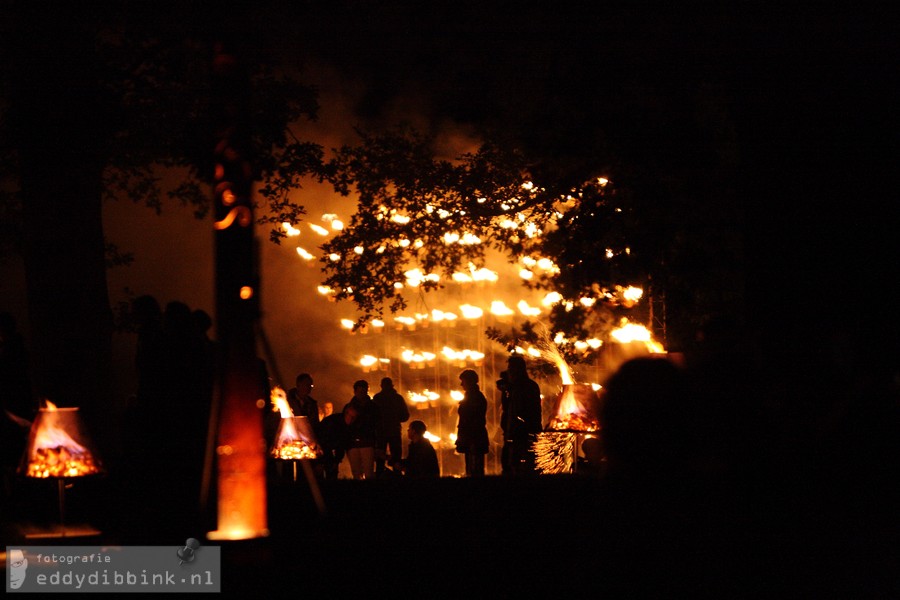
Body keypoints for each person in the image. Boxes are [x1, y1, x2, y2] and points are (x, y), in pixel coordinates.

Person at [499, 354, 543, 475]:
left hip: (524, 433)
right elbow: (507, 408)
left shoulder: (527, 387)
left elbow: (529, 411)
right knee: (510, 464)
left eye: (511, 368)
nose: (509, 371)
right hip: (513, 432)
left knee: (524, 466)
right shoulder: (514, 388)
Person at [372, 376, 410, 477]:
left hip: (380, 432)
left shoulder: (377, 398)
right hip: (394, 431)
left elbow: (372, 415)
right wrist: (395, 419)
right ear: (392, 386)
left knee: (380, 457)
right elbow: (405, 416)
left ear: (381, 386)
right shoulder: (398, 398)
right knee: (396, 456)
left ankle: (379, 476)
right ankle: (397, 477)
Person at [344, 380, 380, 479]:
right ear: (355, 392)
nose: (362, 395)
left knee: (368, 473)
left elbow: (377, 426)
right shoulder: (349, 407)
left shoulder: (373, 407)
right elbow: (344, 426)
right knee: (356, 473)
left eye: (363, 392)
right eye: (360, 392)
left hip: (367, 442)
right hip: (353, 444)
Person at [455, 369, 489, 476]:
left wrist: (466, 437)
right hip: (471, 439)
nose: (461, 384)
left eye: (463, 381)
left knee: (475, 469)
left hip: (474, 439)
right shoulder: (471, 396)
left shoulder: (475, 397)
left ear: (469, 381)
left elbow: (471, 420)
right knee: (471, 468)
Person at [318, 404, 356, 480]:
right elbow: (324, 441)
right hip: (321, 448)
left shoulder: (348, 425)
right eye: (351, 417)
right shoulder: (332, 422)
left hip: (330, 448)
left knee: (332, 472)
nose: (352, 420)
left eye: (354, 418)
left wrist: (336, 460)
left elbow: (342, 444)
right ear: (346, 413)